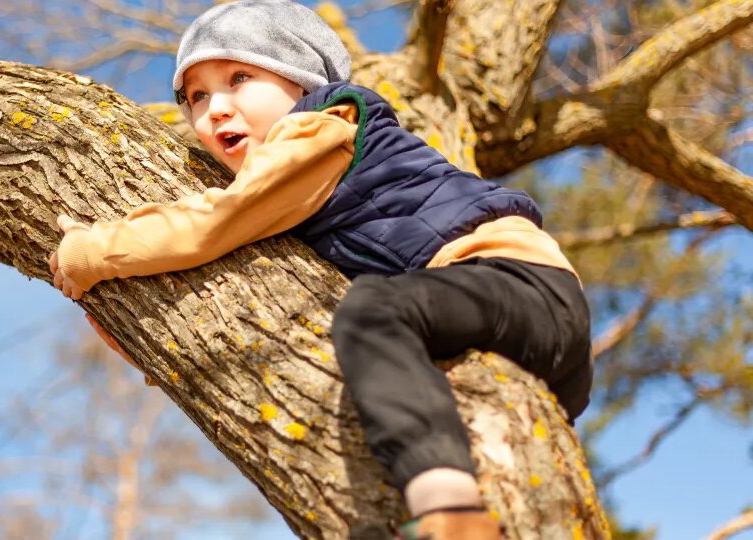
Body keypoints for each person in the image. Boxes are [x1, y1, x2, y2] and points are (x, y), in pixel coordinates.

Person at [48, 1, 592, 537]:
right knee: (373, 408)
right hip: (515, 340)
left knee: (374, 313)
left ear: (301, 82)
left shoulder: (323, 128)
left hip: (516, 282)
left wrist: (93, 253)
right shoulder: (298, 204)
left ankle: (450, 514)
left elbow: (220, 219)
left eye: (239, 77)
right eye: (195, 96)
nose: (213, 108)